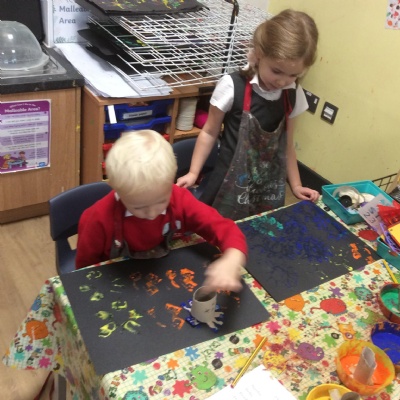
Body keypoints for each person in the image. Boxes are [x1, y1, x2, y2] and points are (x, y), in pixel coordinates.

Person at [177, 9, 320, 220]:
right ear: (259, 54)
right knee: (218, 230)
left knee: (258, 230)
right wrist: (193, 172)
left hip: (267, 187)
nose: (282, 81)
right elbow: (209, 132)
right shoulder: (232, 86)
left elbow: (287, 144)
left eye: (293, 75)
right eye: (276, 71)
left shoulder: (292, 93)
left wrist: (296, 185)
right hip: (228, 180)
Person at [75, 130, 247, 292]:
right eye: (139, 207)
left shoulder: (179, 199)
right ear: (118, 190)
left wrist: (232, 257)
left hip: (165, 276)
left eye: (161, 202)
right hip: (120, 284)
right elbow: (84, 273)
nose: (152, 214)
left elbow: (222, 227)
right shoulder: (96, 219)